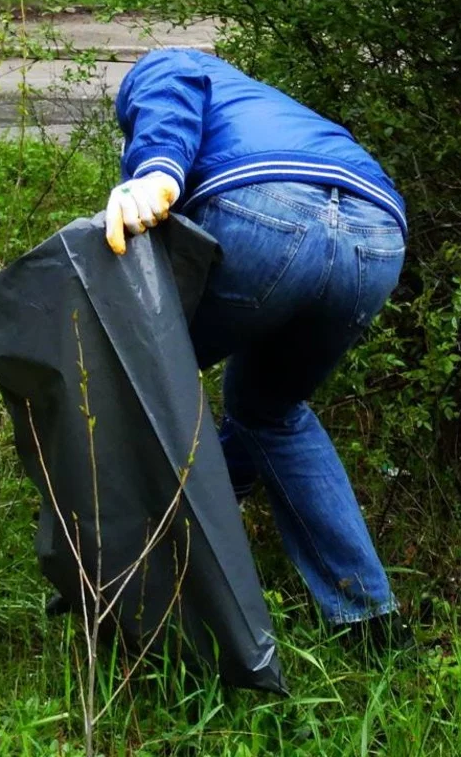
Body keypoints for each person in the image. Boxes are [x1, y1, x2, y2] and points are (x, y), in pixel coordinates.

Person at [104, 47, 406, 642]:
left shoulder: (174, 64)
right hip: (378, 236)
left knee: (132, 384)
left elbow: (171, 89)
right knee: (269, 412)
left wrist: (157, 171)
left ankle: (142, 601)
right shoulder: (274, 106)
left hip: (263, 213)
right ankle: (370, 621)